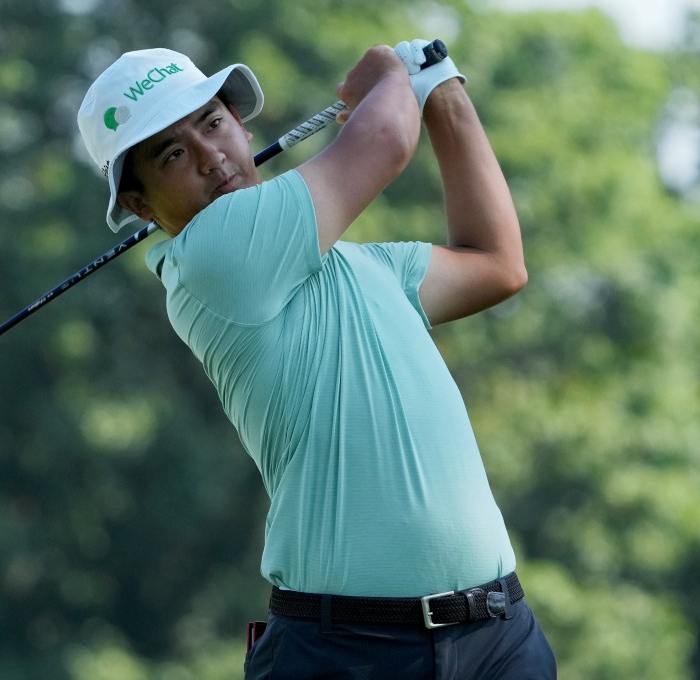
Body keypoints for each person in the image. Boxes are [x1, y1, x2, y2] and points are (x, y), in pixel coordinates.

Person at [77, 39, 556, 679]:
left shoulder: (368, 266)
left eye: (214, 124)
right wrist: (391, 73)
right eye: (173, 154)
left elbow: (498, 264)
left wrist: (444, 90)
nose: (211, 157)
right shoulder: (211, 260)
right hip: (349, 651)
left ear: (242, 128)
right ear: (139, 205)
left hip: (499, 636)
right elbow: (384, 139)